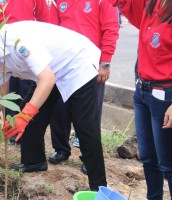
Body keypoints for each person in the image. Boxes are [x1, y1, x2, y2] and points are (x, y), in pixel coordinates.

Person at [0, 20, 107, 191]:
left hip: (77, 63)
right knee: (30, 114)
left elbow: (47, 80)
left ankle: (99, 188)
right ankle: (34, 162)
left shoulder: (17, 42)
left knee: (85, 127)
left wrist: (25, 115)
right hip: (50, 70)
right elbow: (1, 90)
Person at [110, 0, 172, 199]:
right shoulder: (150, 4)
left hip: (166, 97)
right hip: (143, 92)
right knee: (148, 157)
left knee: (168, 163)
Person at [49, 0, 119, 170]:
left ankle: (89, 158)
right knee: (59, 109)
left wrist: (105, 63)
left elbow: (110, 29)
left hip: (90, 65)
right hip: (63, 63)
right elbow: (52, 29)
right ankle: (61, 149)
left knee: (88, 115)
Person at [0, 0, 58, 144]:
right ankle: (11, 132)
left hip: (28, 52)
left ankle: (22, 132)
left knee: (27, 94)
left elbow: (45, 20)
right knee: (8, 96)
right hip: (4, 54)